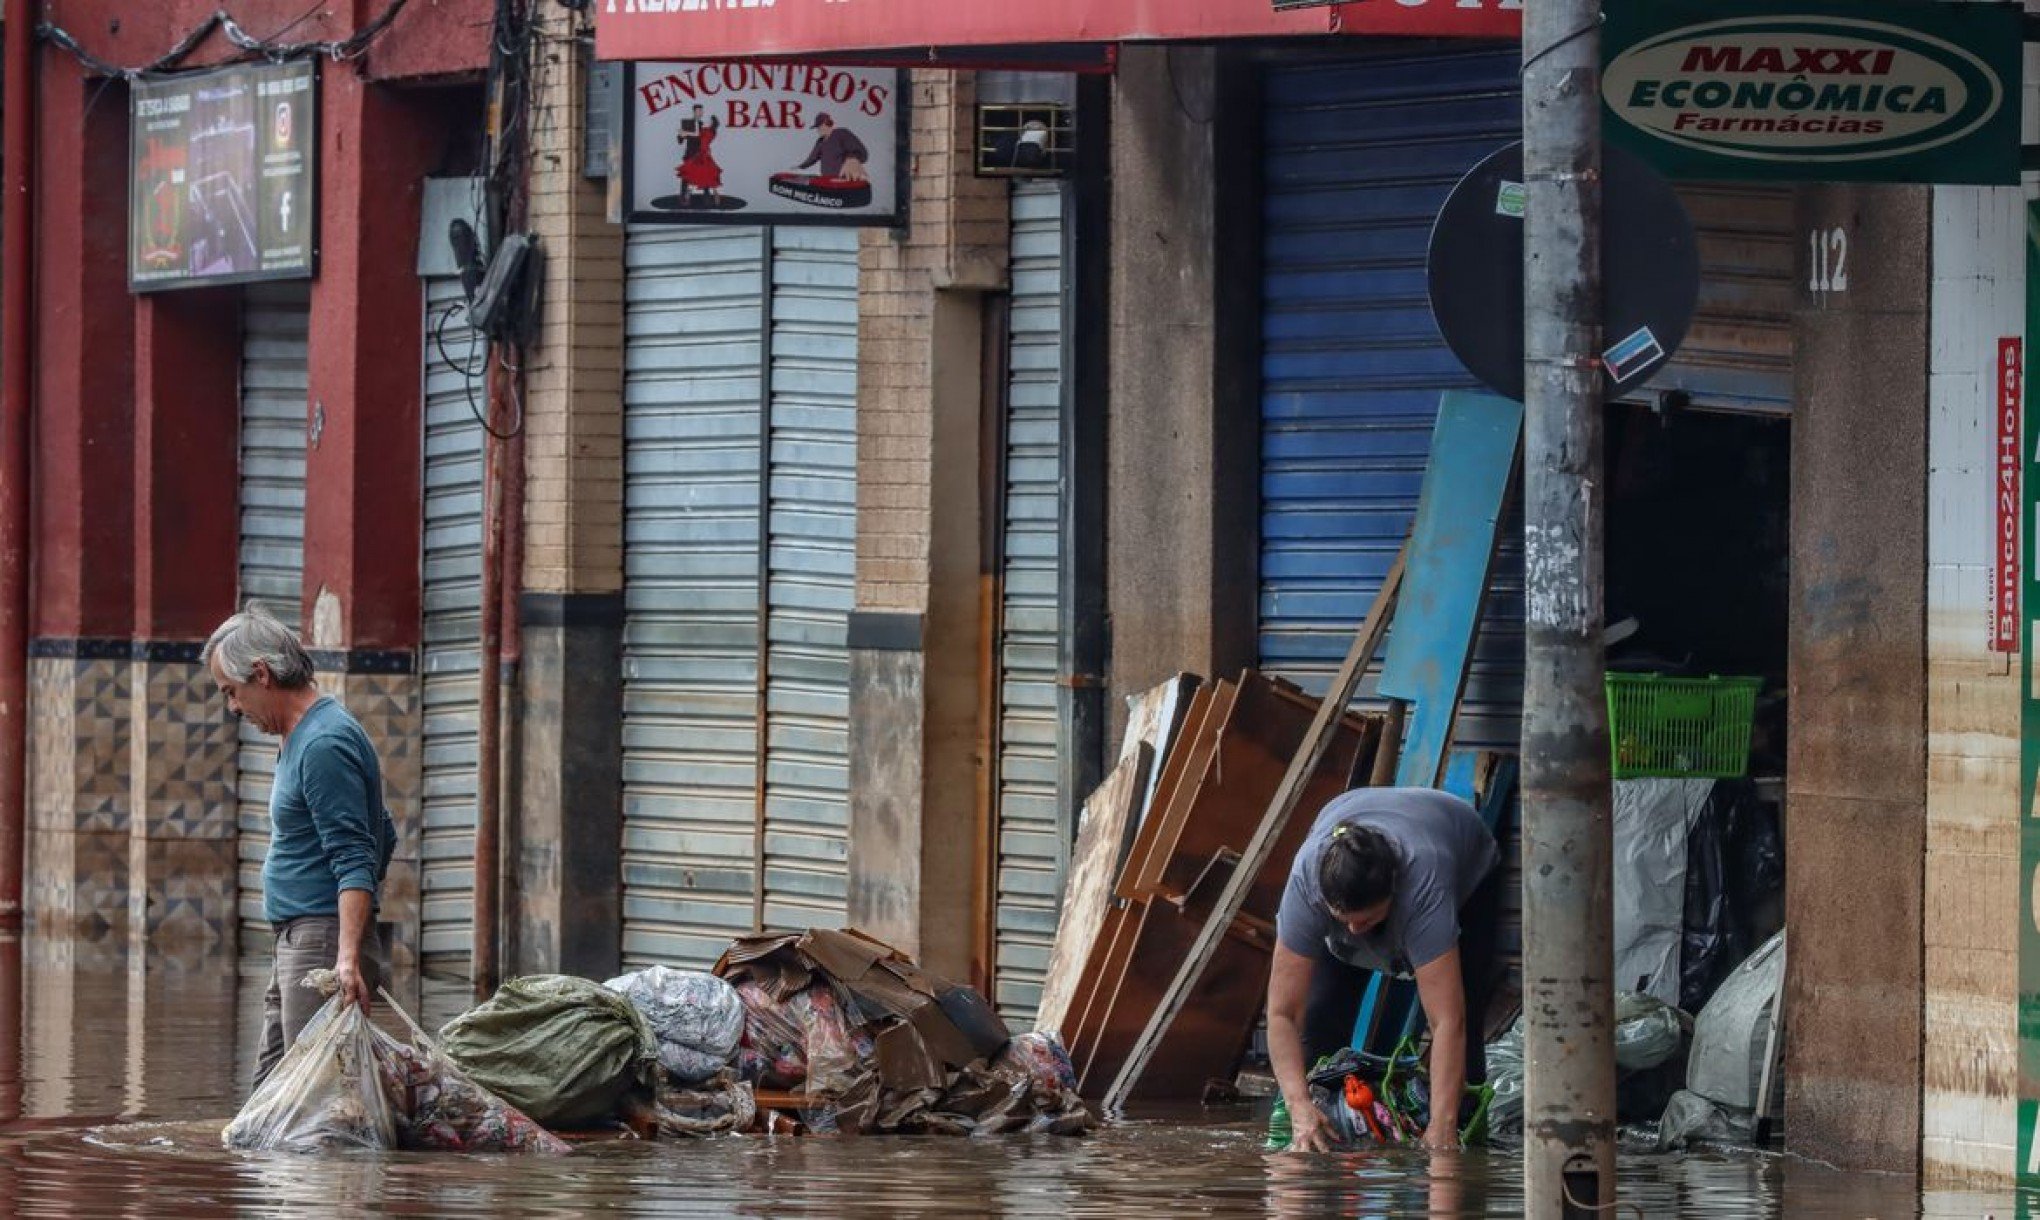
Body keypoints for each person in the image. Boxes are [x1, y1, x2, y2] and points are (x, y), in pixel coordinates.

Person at [205, 603, 396, 1086]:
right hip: (302, 938)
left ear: (262, 674)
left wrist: (346, 956)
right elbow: (384, 832)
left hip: (321, 943)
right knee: (268, 1103)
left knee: (314, 1104)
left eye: (232, 692)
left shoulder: (322, 743)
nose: (232, 708)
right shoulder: (300, 737)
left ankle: (345, 1168)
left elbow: (357, 854)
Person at [1266, 787, 1502, 1153]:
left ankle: (1461, 1136)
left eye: (1367, 920)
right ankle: (1316, 1138)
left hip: (1464, 859)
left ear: (1393, 894)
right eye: (1345, 921)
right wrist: (1299, 1106)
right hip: (1353, 852)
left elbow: (1447, 1021)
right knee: (1320, 1017)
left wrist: (1442, 1127)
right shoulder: (1306, 886)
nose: (1356, 932)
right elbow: (1282, 1013)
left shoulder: (1423, 888)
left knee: (1464, 1019)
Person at [796, 112, 868, 181]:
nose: (818, 130)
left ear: (827, 123)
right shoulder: (820, 142)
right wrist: (800, 166)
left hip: (844, 180)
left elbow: (860, 151)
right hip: (827, 180)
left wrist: (852, 159)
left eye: (819, 127)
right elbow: (812, 158)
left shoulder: (841, 133)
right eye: (817, 128)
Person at [678, 106, 723, 206]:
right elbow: (681, 140)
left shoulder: (703, 126)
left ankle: (706, 198)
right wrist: (682, 135)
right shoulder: (689, 123)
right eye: (698, 111)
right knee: (687, 176)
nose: (701, 113)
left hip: (701, 155)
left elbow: (698, 135)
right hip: (691, 154)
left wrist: (685, 133)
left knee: (705, 175)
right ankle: (684, 198)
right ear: (694, 112)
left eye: (701, 111)